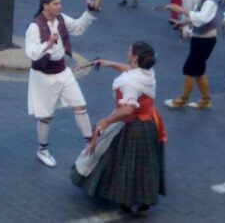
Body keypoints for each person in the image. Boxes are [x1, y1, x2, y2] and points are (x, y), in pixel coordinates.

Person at [70, 42, 165, 216]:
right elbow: (129, 70)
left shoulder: (130, 82)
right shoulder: (147, 72)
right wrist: (109, 63)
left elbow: (128, 109)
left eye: (129, 51)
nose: (127, 52)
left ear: (135, 57)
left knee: (126, 163)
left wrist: (106, 121)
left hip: (133, 124)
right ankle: (145, 199)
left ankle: (126, 200)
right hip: (149, 122)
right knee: (145, 164)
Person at [25, 0, 96, 167]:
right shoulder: (34, 27)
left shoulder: (61, 19)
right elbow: (30, 52)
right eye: (56, 4)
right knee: (46, 115)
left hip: (63, 72)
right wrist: (47, 44)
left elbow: (78, 28)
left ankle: (90, 144)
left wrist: (88, 11)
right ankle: (42, 150)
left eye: (59, 3)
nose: (59, 6)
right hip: (43, 76)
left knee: (80, 105)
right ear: (45, 6)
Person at [163, 0, 217, 109]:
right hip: (200, 38)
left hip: (206, 40)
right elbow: (196, 16)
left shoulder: (209, 2)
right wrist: (183, 22)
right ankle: (205, 100)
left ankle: (182, 100)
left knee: (190, 69)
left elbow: (202, 18)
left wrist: (180, 9)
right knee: (198, 70)